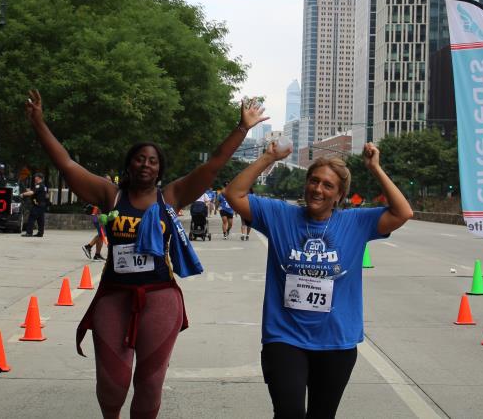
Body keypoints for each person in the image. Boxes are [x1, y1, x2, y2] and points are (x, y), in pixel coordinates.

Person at [25, 89, 268, 419]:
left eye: (153, 161)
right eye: (140, 158)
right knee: (112, 383)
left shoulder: (171, 196)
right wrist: (39, 123)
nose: (146, 164)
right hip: (114, 297)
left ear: (159, 169)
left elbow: (212, 166)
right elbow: (66, 164)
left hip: (159, 298)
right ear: (129, 164)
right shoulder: (111, 194)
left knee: (150, 384)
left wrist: (241, 128)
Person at [223, 141, 413, 419]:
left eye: (328, 185)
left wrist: (375, 168)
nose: (318, 189)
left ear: (339, 195)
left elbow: (403, 212)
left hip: (336, 341)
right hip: (285, 337)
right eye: (314, 181)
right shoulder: (280, 215)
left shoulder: (356, 222)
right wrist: (269, 157)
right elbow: (234, 194)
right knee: (289, 413)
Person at [21, 172, 49, 237]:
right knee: (40, 219)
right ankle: (40, 233)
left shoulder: (38, 185)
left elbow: (32, 192)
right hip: (42, 205)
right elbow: (47, 196)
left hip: (37, 205)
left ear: (39, 178)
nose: (35, 178)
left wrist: (23, 194)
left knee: (31, 218)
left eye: (36, 177)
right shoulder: (44, 186)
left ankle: (29, 232)